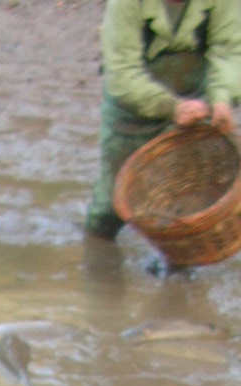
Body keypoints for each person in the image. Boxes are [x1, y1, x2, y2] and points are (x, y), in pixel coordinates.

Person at [86, 0, 241, 239]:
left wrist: (221, 98)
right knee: (109, 208)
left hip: (197, 102)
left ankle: (176, 265)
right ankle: (98, 251)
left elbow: (230, 50)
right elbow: (121, 74)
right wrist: (172, 108)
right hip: (131, 113)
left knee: (187, 208)